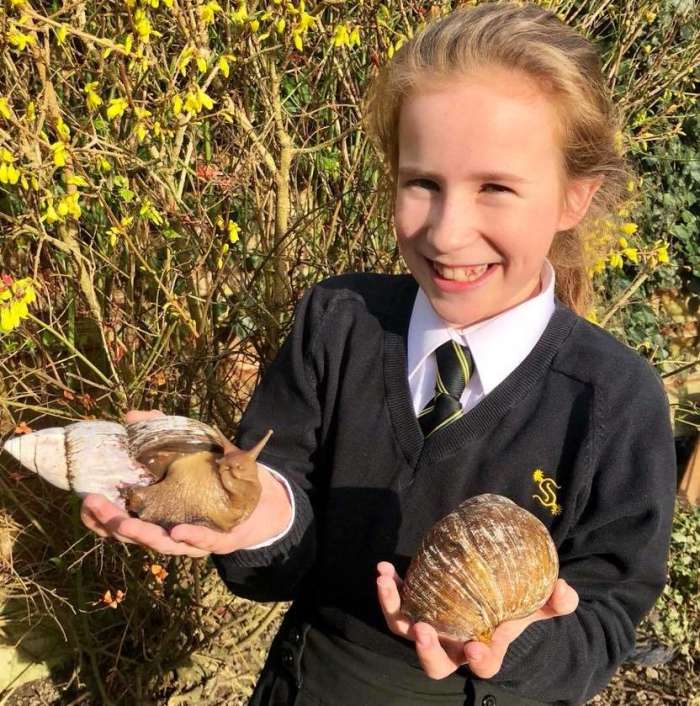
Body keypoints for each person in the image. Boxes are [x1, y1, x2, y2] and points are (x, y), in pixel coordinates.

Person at [80, 3, 677, 705]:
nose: (448, 234)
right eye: (422, 183)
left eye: (496, 189)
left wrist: (514, 644)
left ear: (575, 197)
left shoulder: (614, 400)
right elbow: (274, 562)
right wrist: (259, 515)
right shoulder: (339, 323)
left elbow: (606, 617)